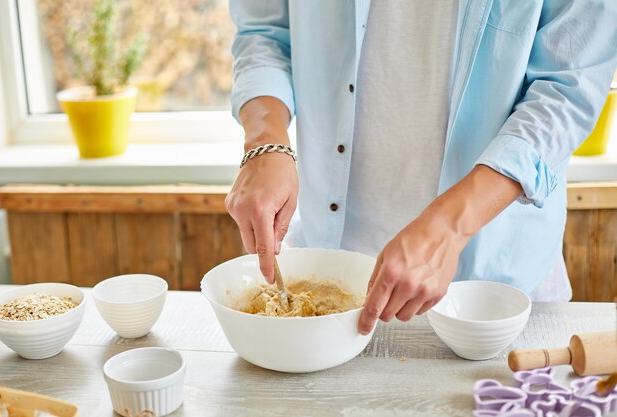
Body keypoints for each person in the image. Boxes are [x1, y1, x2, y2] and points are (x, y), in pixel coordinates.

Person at [225, 1, 617, 335]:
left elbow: (566, 89)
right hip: (330, 275)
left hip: (497, 291)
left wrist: (450, 225)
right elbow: (264, 33)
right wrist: (265, 140)